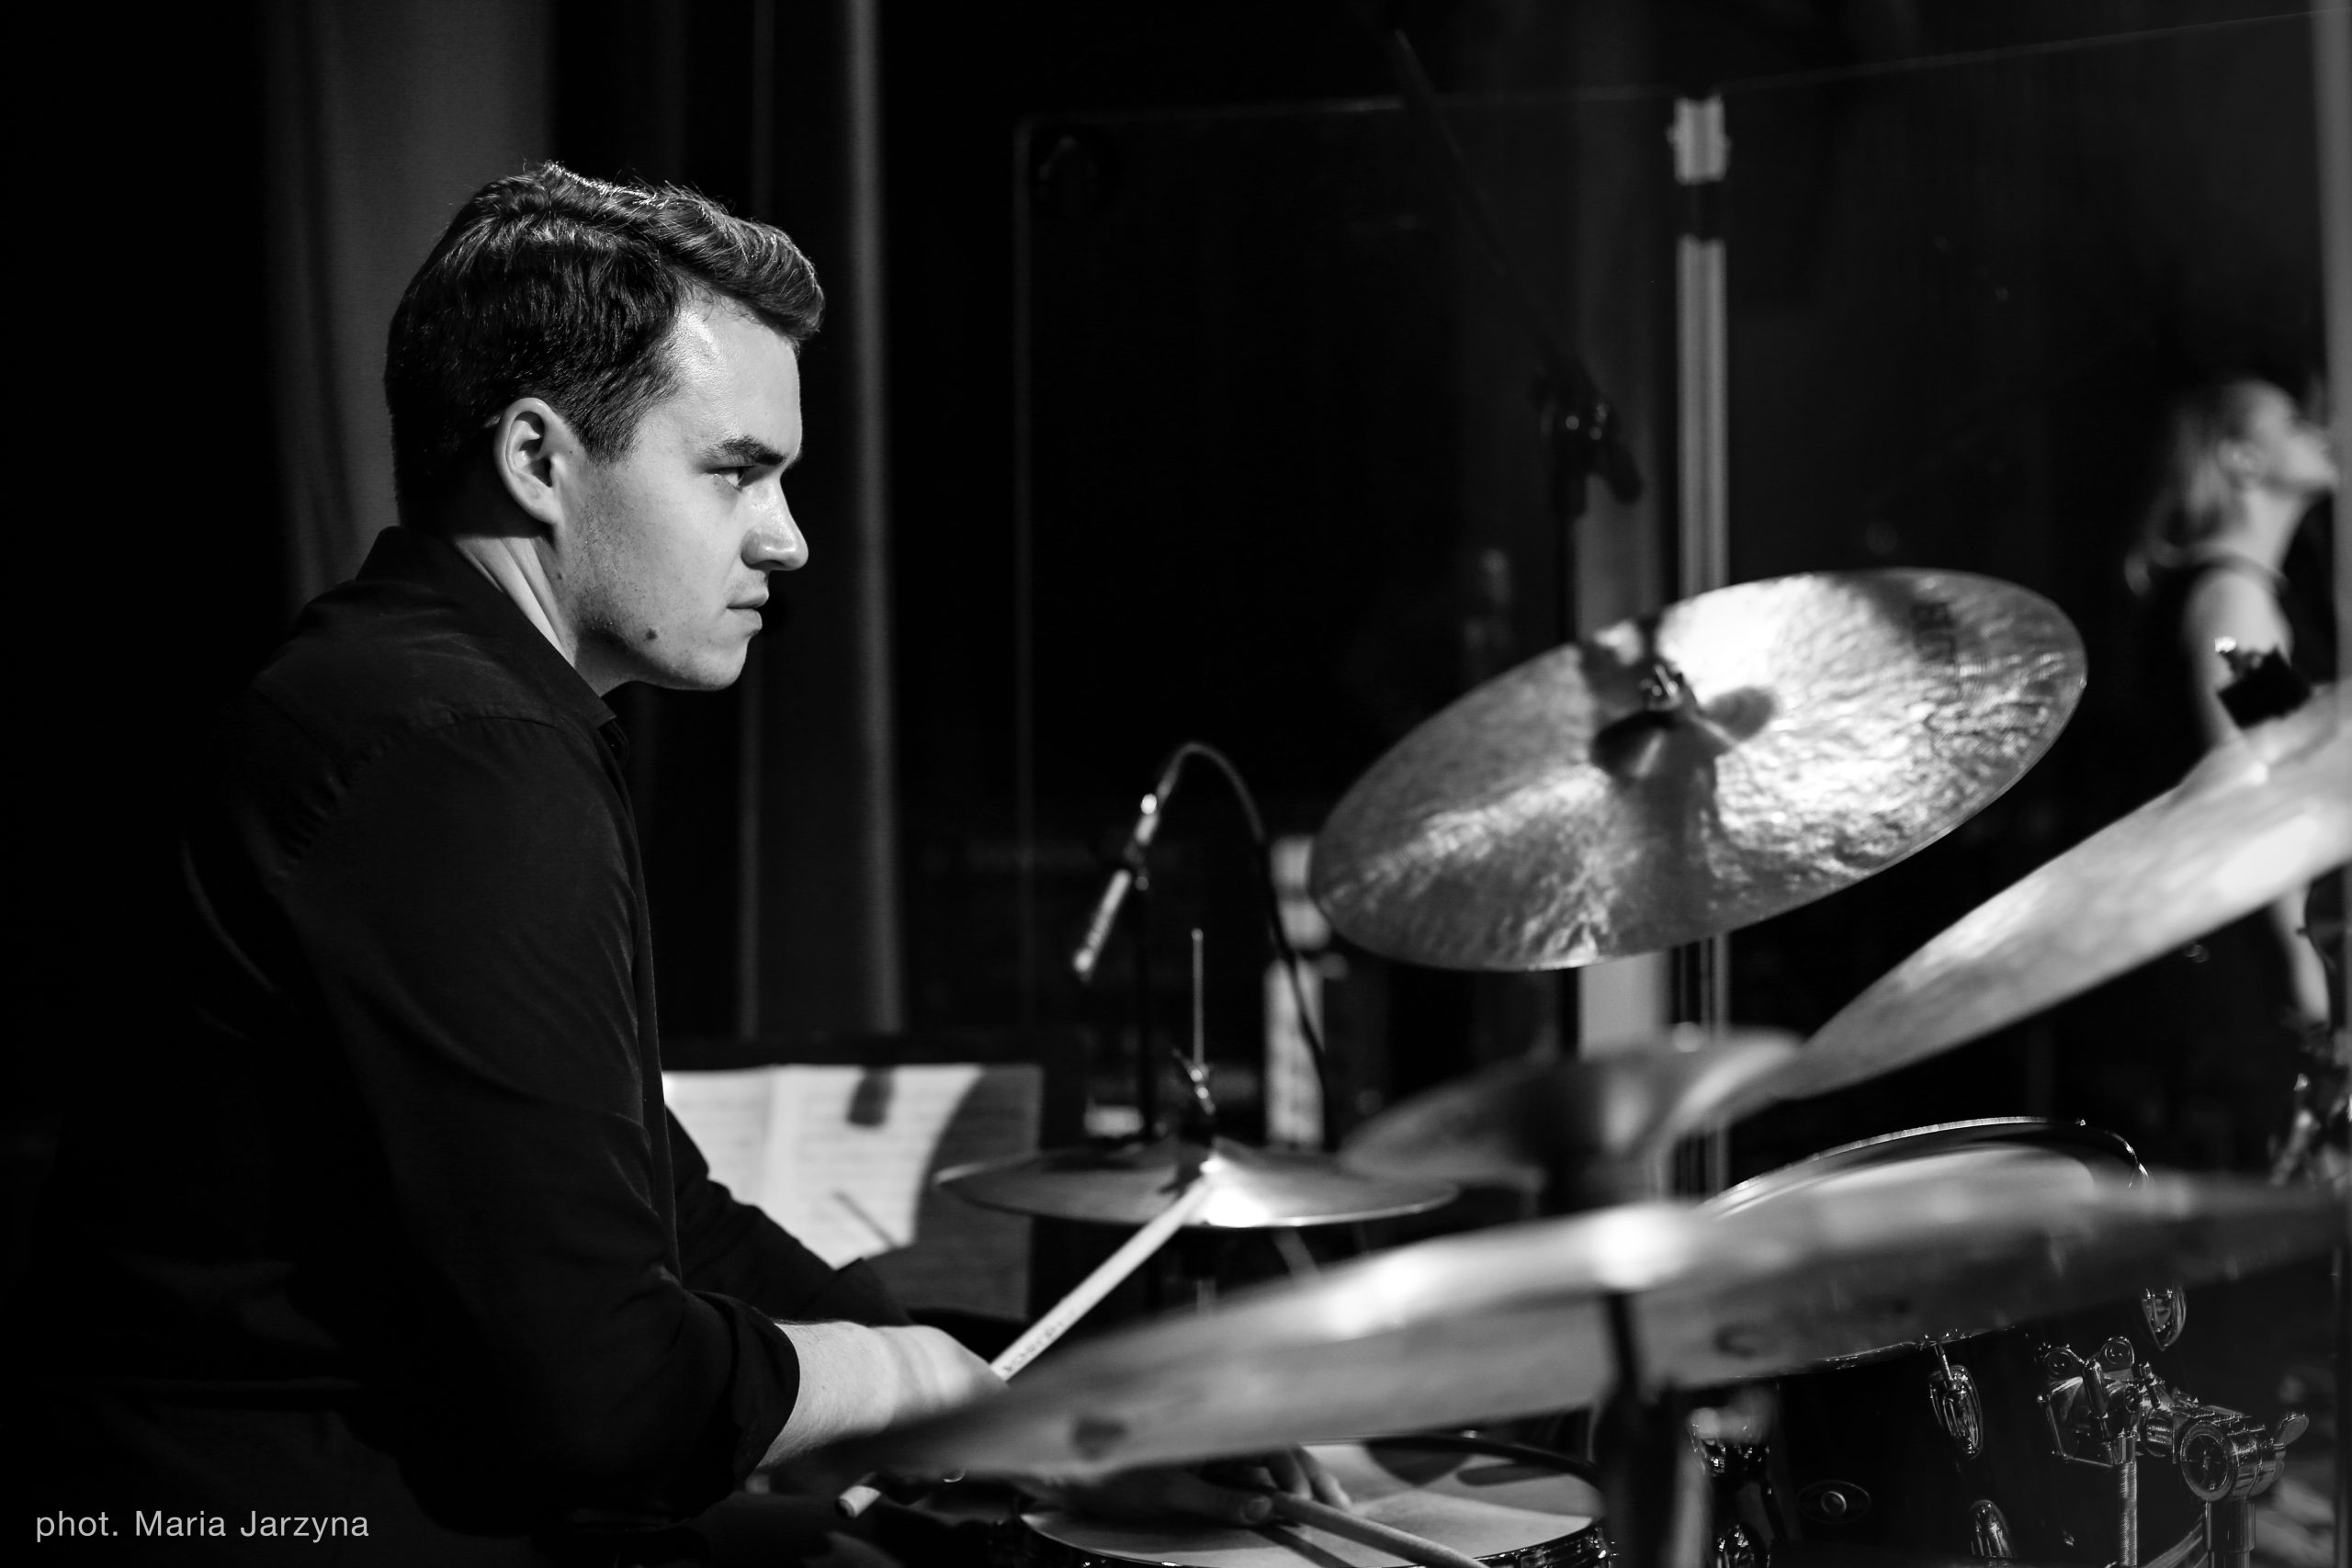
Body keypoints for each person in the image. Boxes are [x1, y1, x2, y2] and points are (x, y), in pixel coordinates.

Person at [10, 164, 1322, 1564]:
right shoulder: (457, 751)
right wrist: (897, 1379)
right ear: (538, 459)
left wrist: (1018, 1409)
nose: (789, 536)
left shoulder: (421, 696)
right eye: (736, 470)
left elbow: (665, 1211)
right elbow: (604, 1388)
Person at [2101, 376, 2339, 1168]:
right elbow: (2258, 796)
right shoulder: (2232, 599)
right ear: (2242, 457)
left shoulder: (2230, 590)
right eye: (2292, 421)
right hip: (2246, 957)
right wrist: (2303, 965)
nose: (2319, 431)